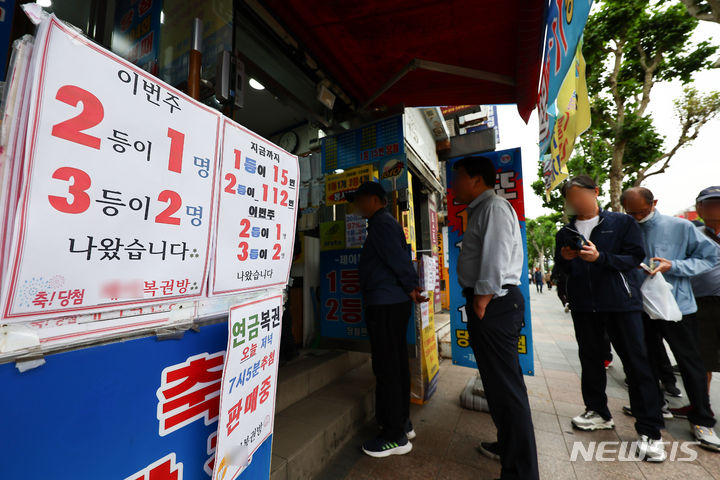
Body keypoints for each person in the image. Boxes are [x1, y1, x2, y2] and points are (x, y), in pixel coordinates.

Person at [554, 176, 666, 461]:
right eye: (570, 198)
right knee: (590, 360)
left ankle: (650, 430)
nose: (575, 202)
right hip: (584, 307)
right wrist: (567, 258)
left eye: (580, 195)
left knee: (636, 364)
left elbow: (633, 258)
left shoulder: (621, 223)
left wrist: (600, 258)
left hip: (621, 304)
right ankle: (597, 411)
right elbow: (562, 268)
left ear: (596, 192)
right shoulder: (565, 231)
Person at [452, 156, 539, 480]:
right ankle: (509, 446)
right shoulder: (482, 209)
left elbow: (497, 254)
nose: (454, 184)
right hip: (490, 302)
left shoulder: (494, 207)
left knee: (506, 389)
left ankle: (520, 471)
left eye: (458, 176)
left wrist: (482, 299)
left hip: (494, 303)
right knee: (499, 385)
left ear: (476, 180)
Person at [621, 186, 720, 452]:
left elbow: (710, 256)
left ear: (654, 202)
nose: (638, 217)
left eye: (642, 211)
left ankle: (702, 419)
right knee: (646, 362)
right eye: (631, 213)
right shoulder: (625, 226)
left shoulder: (680, 227)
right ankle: (655, 409)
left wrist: (674, 266)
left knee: (691, 364)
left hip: (678, 307)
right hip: (639, 307)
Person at [347, 181, 427, 458]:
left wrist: (411, 285)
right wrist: (410, 287)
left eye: (359, 200)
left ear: (373, 199)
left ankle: (394, 436)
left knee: (387, 368)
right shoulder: (385, 223)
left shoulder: (381, 223)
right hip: (390, 302)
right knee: (395, 365)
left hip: (385, 304)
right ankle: (401, 422)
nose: (357, 206)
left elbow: (397, 259)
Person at [692, 187, 720, 394]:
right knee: (703, 358)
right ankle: (701, 406)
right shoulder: (691, 235)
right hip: (701, 303)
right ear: (699, 208)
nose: (714, 209)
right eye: (709, 204)